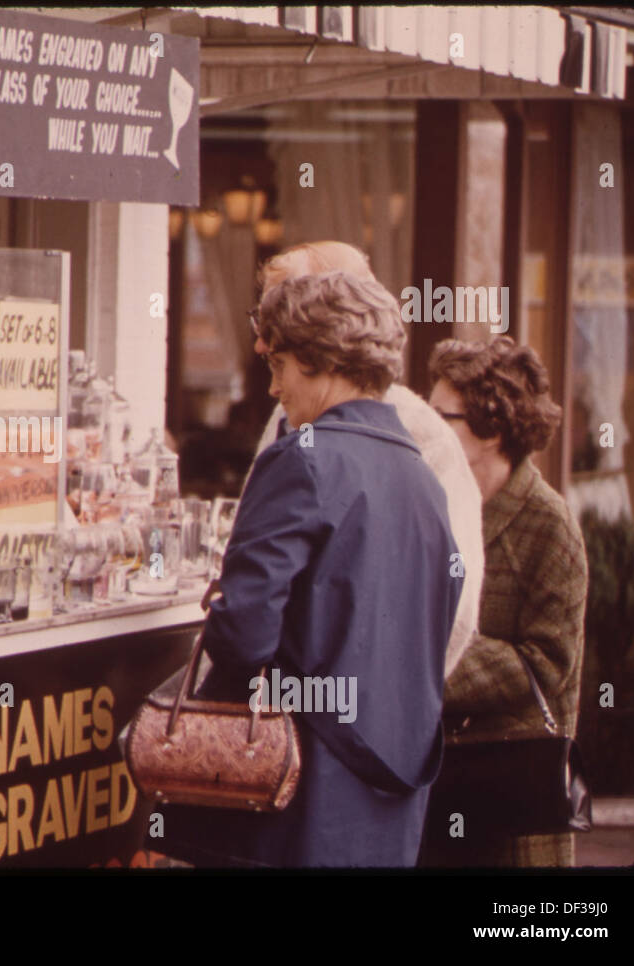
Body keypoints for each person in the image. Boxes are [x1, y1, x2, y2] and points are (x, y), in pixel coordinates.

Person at [160, 270, 462, 868]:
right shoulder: (424, 479)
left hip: (295, 793)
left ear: (323, 361)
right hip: (393, 797)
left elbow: (243, 631)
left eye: (278, 366)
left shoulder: (302, 461)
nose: (272, 388)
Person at [246, 241, 484, 677]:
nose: (261, 342)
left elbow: (456, 605)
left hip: (337, 722)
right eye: (259, 317)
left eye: (278, 315)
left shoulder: (424, 435)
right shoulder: (285, 415)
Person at [422, 336, 587, 867]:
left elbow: (545, 665)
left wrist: (426, 661)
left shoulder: (549, 523)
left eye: (440, 416)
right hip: (436, 784)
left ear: (491, 431)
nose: (424, 429)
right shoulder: (434, 505)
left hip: (511, 800)